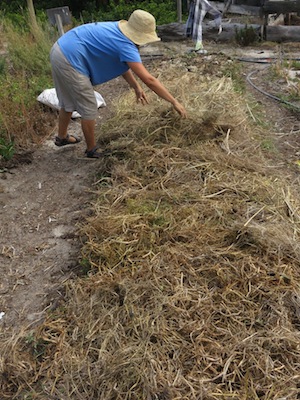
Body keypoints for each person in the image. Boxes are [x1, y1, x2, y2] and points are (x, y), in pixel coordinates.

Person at [50, 9, 187, 158]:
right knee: (89, 107)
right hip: (70, 59)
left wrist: (135, 87)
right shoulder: (126, 45)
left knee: (68, 102)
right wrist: (174, 101)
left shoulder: (117, 30)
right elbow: (149, 80)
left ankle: (61, 138)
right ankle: (91, 149)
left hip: (60, 49)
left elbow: (121, 65)